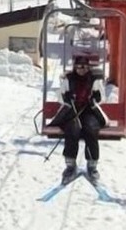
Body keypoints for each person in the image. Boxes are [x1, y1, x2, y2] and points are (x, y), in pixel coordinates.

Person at [50, 54, 108, 183]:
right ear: (75, 67)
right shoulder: (68, 79)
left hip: (89, 110)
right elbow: (60, 95)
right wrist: (66, 98)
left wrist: (96, 98)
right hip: (72, 110)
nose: (81, 69)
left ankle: (92, 165)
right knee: (72, 130)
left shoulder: (94, 79)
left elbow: (102, 97)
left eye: (84, 67)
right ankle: (70, 165)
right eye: (79, 67)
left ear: (88, 68)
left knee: (90, 129)